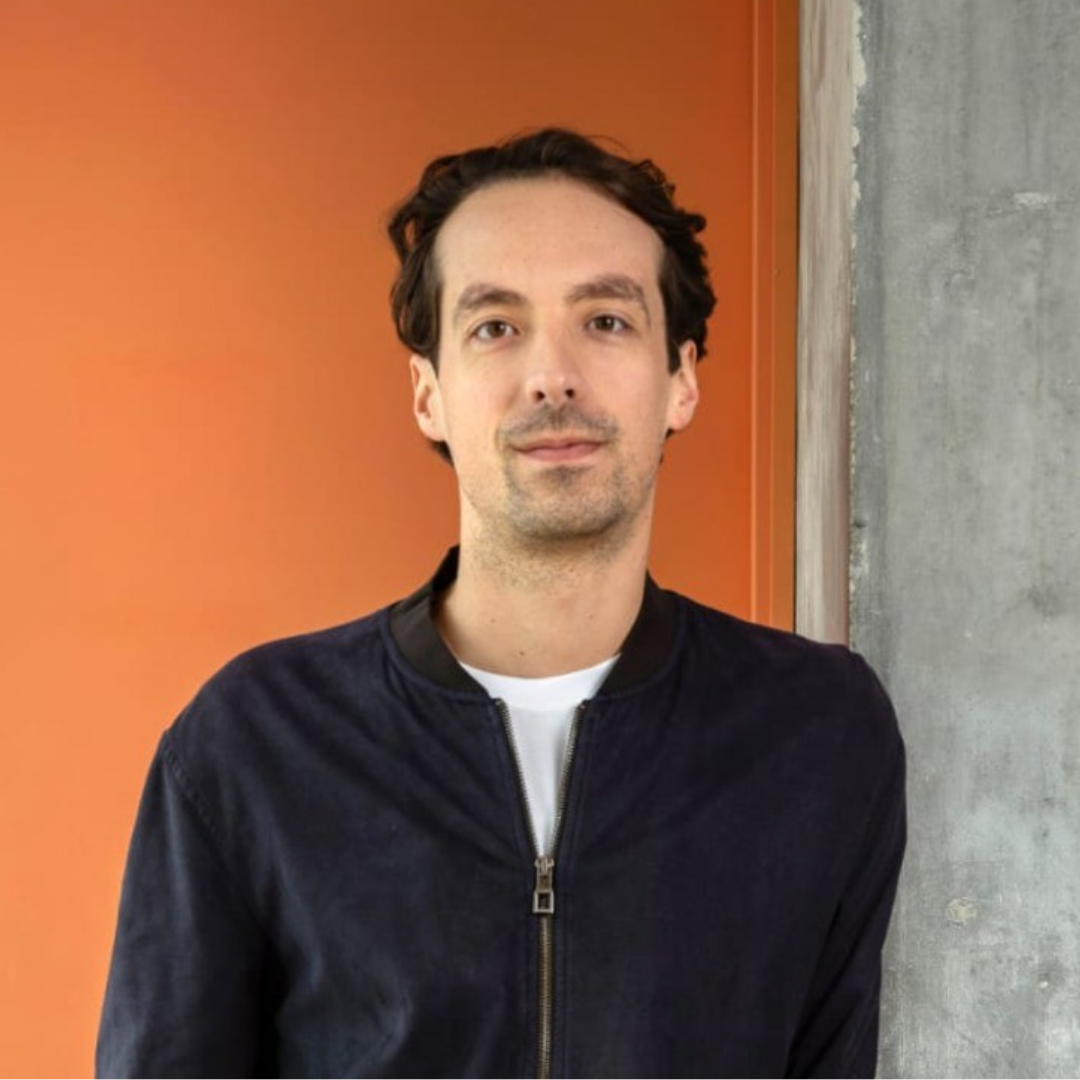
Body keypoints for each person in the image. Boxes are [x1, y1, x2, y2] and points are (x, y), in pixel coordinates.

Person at [97, 128, 905, 1079]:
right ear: (428, 394)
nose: (552, 375)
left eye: (606, 320)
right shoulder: (254, 742)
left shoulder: (818, 735)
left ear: (681, 379)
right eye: (495, 327)